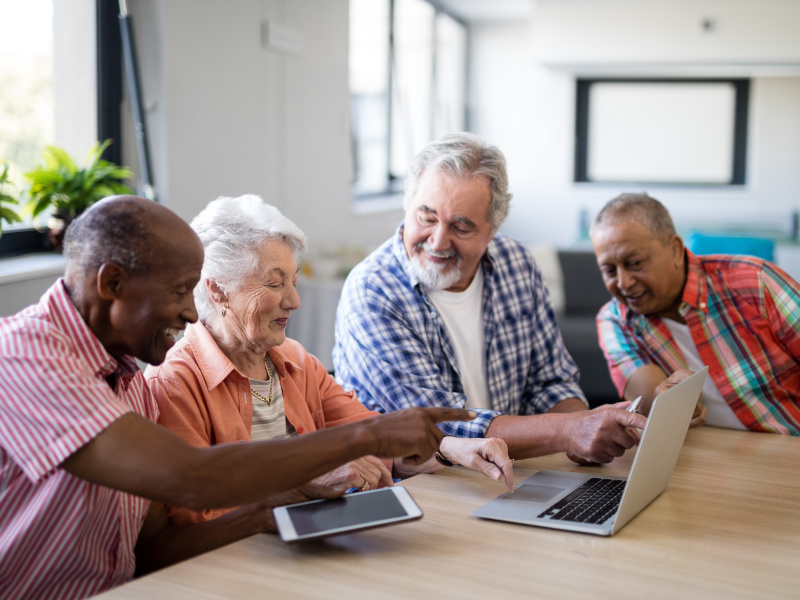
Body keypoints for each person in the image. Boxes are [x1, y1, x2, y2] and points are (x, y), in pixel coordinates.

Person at [0, 195, 477, 599]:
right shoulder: (25, 356)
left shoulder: (127, 384)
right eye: (179, 291)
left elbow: (152, 552)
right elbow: (191, 479)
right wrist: (366, 435)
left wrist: (264, 514)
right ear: (112, 284)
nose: (191, 313)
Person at [145, 194, 513, 526]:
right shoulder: (174, 382)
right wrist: (303, 481)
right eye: (274, 284)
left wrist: (453, 448)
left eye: (293, 282)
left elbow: (374, 436)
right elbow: (193, 517)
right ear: (217, 288)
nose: (294, 301)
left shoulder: (295, 361)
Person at [333, 132, 647, 464]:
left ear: (492, 230)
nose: (438, 241)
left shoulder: (517, 263)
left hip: (508, 473)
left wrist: (584, 433)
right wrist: (567, 430)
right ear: (407, 206)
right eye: (426, 218)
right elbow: (439, 425)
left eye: (461, 227)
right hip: (418, 486)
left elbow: (550, 382)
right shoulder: (373, 292)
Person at [591, 192, 800, 435]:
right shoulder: (616, 320)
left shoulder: (755, 281)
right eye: (609, 270)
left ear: (676, 250)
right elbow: (651, 404)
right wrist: (668, 401)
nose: (623, 282)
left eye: (635, 263)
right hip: (705, 456)